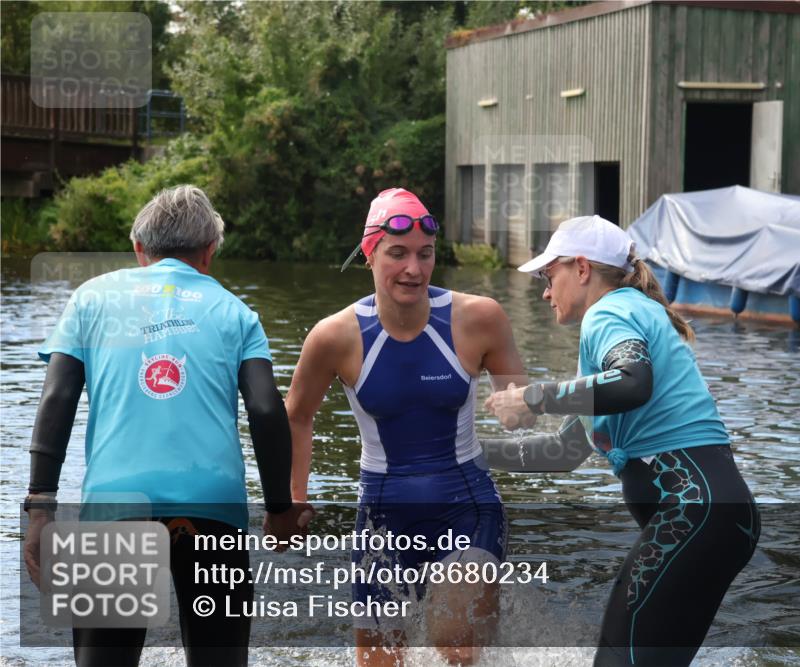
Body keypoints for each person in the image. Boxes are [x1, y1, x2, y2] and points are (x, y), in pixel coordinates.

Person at [23, 185, 310, 667]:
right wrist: (279, 507)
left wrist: (40, 509)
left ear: (140, 248)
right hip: (212, 509)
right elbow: (265, 410)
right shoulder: (237, 314)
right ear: (209, 252)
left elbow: (57, 399)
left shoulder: (90, 299)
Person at [486, 215, 760, 667]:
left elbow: (634, 381)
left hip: (693, 514)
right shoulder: (631, 316)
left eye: (547, 275)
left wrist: (533, 398)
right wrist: (470, 455)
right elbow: (563, 451)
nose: (545, 291)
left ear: (581, 268)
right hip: (723, 519)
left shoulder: (609, 312)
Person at [285, 187, 531, 667]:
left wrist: (518, 406)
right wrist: (295, 497)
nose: (413, 269)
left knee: (453, 638)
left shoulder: (479, 317)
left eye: (425, 254)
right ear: (370, 255)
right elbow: (297, 414)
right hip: (381, 518)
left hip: (467, 508)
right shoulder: (335, 336)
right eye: (397, 254)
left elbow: (520, 399)